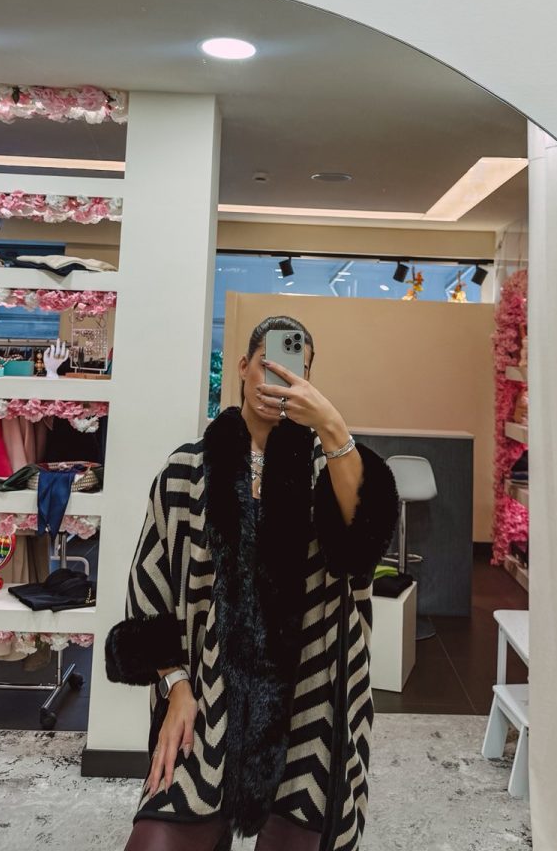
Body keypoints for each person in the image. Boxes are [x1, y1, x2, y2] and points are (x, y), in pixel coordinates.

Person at [106, 316, 400, 851]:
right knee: (154, 840)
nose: (276, 380)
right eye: (267, 364)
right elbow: (149, 592)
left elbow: (361, 548)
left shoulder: (328, 470)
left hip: (310, 713)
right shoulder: (185, 471)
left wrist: (331, 425)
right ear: (242, 367)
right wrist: (175, 687)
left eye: (293, 371)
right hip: (205, 705)